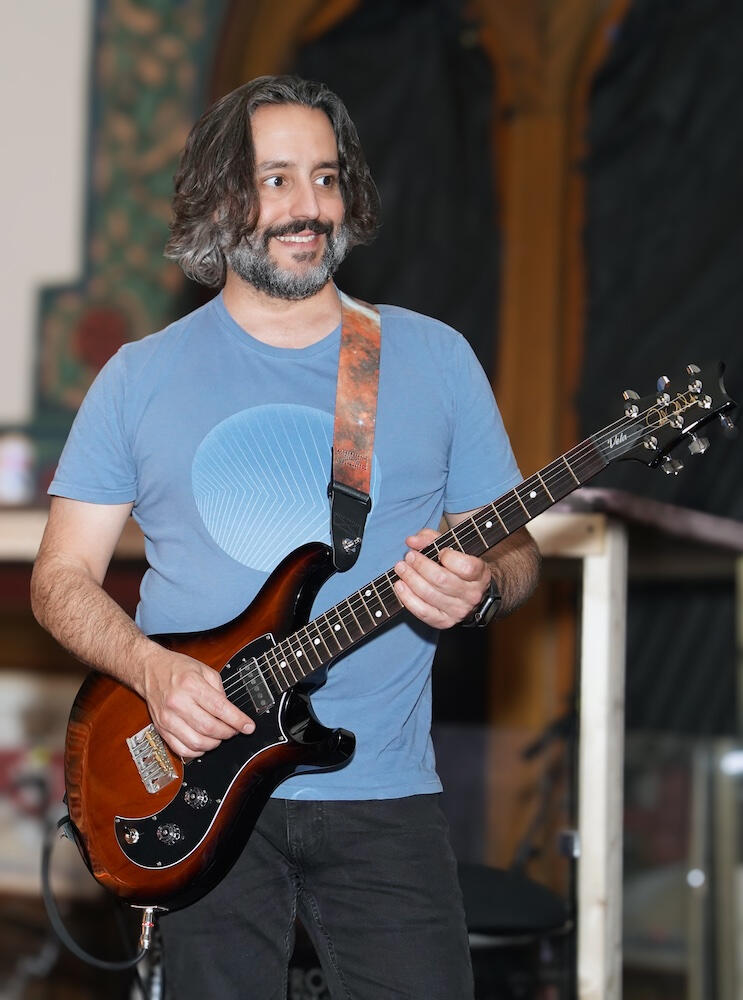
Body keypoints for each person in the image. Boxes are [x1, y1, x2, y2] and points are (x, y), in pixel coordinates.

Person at [31, 75, 541, 999]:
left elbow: (510, 551)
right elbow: (60, 579)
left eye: (325, 176)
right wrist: (153, 671)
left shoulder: (430, 357)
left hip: (384, 796)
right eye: (274, 180)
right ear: (219, 199)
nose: (308, 206)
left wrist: (484, 584)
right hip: (192, 791)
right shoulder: (138, 378)